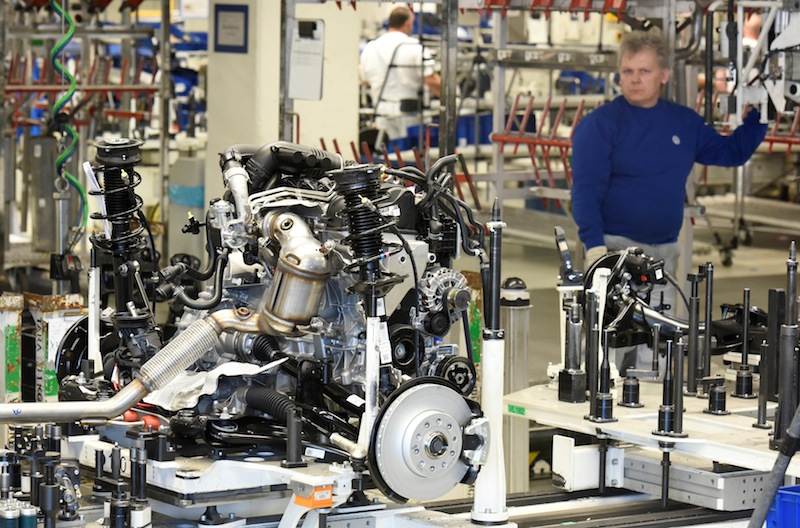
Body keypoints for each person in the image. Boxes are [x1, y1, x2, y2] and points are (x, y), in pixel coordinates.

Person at [570, 30, 767, 373]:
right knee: (607, 355)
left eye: (643, 71)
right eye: (627, 71)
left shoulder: (683, 122)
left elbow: (731, 153)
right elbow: (586, 190)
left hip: (664, 256)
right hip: (615, 255)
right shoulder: (600, 125)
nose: (633, 80)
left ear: (663, 75)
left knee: (654, 352)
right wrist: (593, 246)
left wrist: (763, 113)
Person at [359, 5, 441, 144]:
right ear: (408, 24)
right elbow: (431, 80)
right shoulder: (414, 47)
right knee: (411, 158)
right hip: (410, 117)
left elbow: (365, 81)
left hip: (382, 113)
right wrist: (452, 98)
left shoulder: (370, 47)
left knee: (386, 157)